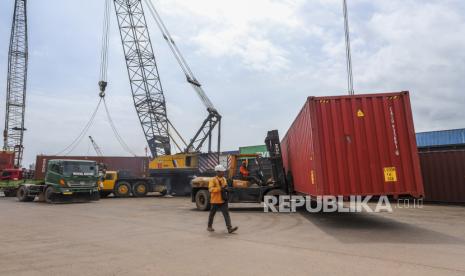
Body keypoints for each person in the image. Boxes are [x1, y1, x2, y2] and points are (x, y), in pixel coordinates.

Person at [207, 165, 238, 234]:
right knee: (212, 214)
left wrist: (228, 190)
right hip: (215, 201)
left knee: (226, 214)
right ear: (217, 172)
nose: (223, 173)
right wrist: (219, 189)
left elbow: (225, 187)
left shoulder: (224, 179)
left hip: (223, 200)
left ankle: (229, 228)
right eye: (222, 172)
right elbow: (210, 189)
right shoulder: (213, 180)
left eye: (223, 171)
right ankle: (209, 226)